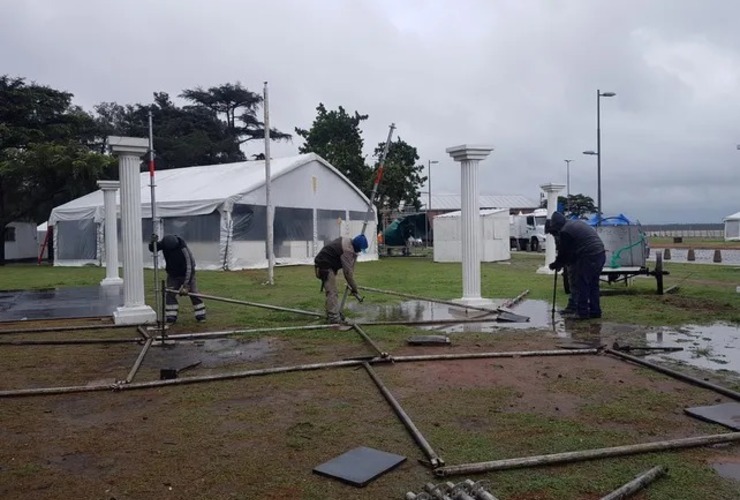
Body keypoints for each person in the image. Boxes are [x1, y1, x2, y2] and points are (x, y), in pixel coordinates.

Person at [545, 212, 605, 320]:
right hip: (600, 254)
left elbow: (565, 252)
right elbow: (570, 252)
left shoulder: (565, 231)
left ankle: (582, 313)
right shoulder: (573, 224)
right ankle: (595, 312)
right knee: (593, 285)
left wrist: (557, 263)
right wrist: (560, 263)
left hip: (588, 255)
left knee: (582, 284)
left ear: (557, 225)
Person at [149, 234, 206, 324]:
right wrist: (152, 242)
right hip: (172, 275)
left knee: (194, 294)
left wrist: (186, 285)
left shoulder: (183, 249)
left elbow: (190, 267)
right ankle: (171, 317)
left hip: (186, 274)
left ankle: (201, 315)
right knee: (170, 295)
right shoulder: (164, 243)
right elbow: (153, 249)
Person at [314, 234, 368, 323]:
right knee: (332, 292)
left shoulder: (348, 241)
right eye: (360, 250)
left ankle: (332, 312)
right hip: (324, 265)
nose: (359, 252)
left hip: (326, 263)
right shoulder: (347, 251)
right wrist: (354, 288)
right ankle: (334, 318)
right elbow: (347, 274)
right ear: (357, 247)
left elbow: (350, 267)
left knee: (331, 291)